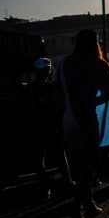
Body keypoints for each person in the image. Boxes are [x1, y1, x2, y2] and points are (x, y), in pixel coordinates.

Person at [58, 30, 109, 218]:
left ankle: (89, 204)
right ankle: (76, 208)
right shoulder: (100, 65)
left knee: (78, 165)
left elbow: (58, 90)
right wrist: (92, 100)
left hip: (68, 119)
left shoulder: (64, 63)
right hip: (88, 119)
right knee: (89, 168)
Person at [22, 58, 73, 198]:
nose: (48, 71)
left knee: (53, 157)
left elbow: (58, 104)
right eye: (46, 69)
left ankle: (53, 186)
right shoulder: (35, 89)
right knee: (46, 158)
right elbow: (34, 107)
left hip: (46, 127)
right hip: (39, 128)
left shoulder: (39, 88)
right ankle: (51, 186)